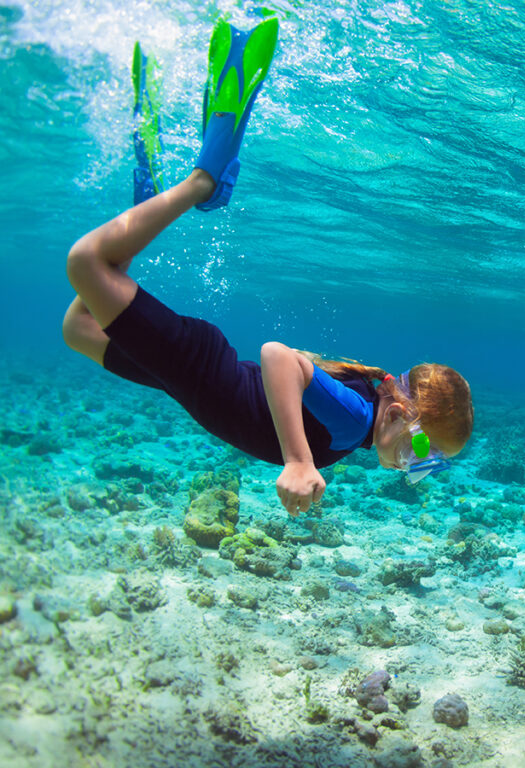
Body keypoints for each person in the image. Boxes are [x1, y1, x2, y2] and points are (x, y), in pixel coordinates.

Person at [61, 17, 474, 516]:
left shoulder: (361, 416)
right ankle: (201, 183)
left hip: (195, 379)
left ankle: (143, 209)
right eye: (422, 450)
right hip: (196, 367)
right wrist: (300, 461)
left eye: (430, 462)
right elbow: (279, 356)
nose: (414, 465)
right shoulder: (355, 418)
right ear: (401, 412)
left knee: (78, 328)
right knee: (86, 262)